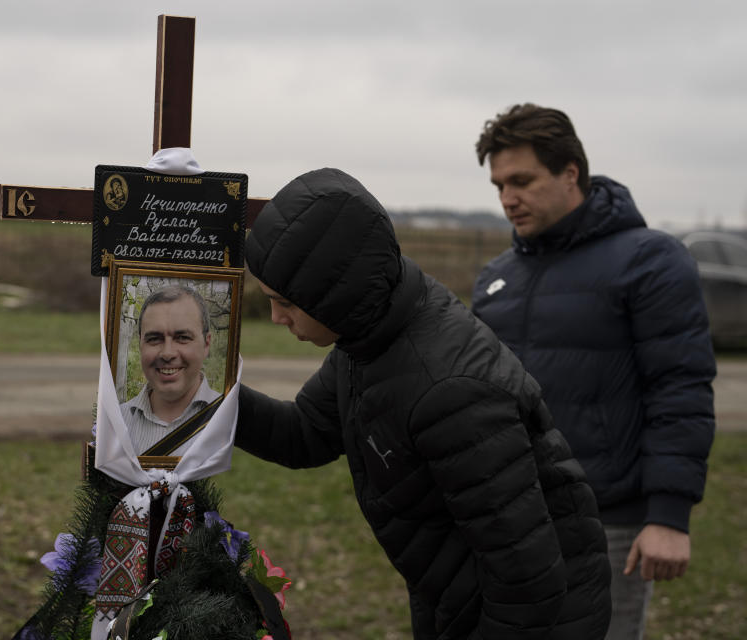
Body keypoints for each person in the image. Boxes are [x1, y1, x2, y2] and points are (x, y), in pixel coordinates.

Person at [237, 167, 611, 639]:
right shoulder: (368, 333)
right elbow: (305, 433)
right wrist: (206, 398)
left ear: (333, 293)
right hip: (458, 600)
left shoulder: (450, 390)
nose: (274, 316)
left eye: (285, 302)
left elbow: (526, 584)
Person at [470, 104, 716, 640]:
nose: (508, 198)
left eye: (522, 181)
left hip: (607, 522)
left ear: (570, 173)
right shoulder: (497, 277)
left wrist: (669, 515)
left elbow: (680, 389)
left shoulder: (650, 260)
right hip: (508, 519)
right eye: (498, 186)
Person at [122, 284, 220, 455]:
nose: (167, 353)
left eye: (182, 338)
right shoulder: (114, 422)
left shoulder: (230, 417)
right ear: (140, 344)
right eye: (154, 339)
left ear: (206, 344)